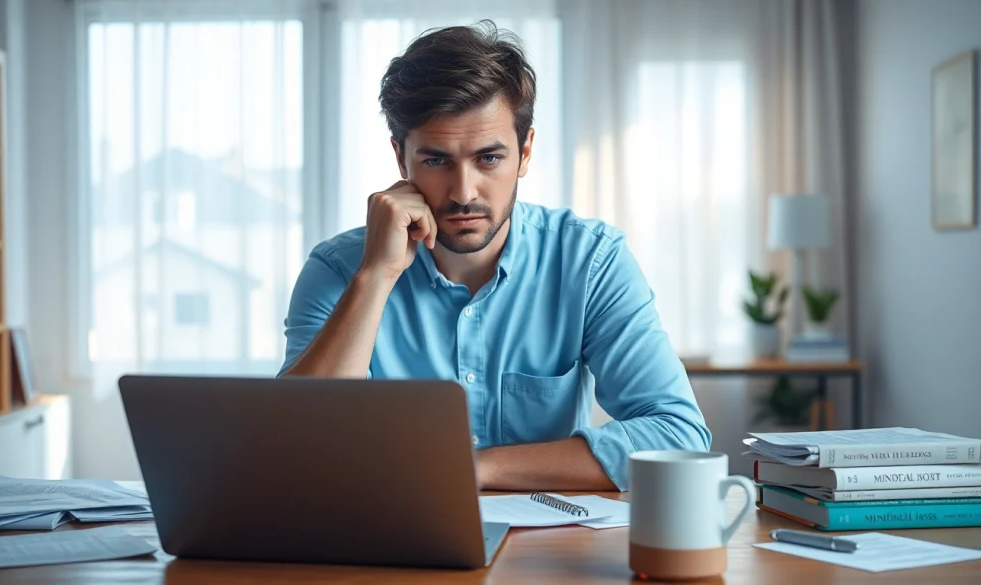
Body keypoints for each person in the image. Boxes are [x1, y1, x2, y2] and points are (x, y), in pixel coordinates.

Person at [278, 21, 710, 491]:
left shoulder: (590, 261)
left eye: (488, 158)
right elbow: (297, 444)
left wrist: (477, 468)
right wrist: (376, 276)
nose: (464, 193)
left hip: (548, 552)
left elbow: (677, 435)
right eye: (436, 160)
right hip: (386, 549)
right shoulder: (339, 269)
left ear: (524, 153)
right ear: (401, 160)